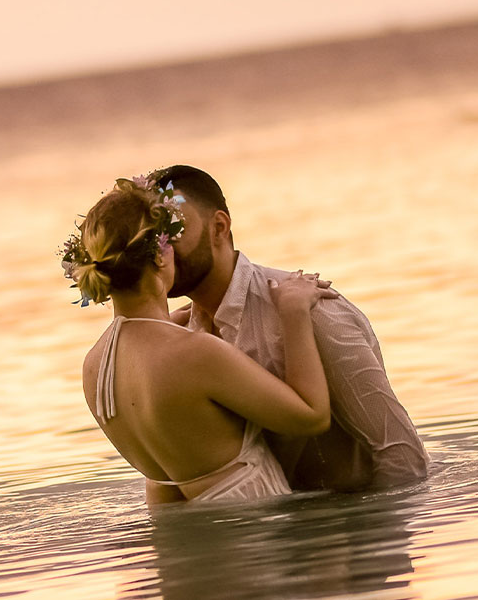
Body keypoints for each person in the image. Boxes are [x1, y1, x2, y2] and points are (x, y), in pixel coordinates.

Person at [150, 164, 428, 494]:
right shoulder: (184, 336)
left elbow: (403, 455)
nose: (161, 249)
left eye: (173, 231)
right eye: (151, 237)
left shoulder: (314, 311)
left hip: (354, 528)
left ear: (219, 228)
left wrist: (375, 542)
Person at [68, 176, 335, 504]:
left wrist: (180, 323)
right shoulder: (195, 353)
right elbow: (311, 416)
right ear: (160, 256)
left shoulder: (94, 366)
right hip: (255, 543)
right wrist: (294, 314)